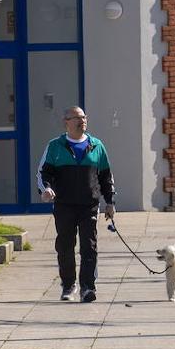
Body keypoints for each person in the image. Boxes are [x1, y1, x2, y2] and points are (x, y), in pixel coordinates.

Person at [37, 106, 115, 302]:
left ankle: (88, 288)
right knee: (65, 246)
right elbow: (43, 173)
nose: (82, 121)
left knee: (89, 246)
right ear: (66, 122)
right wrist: (46, 189)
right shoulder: (55, 146)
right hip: (64, 205)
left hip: (89, 204)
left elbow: (106, 177)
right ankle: (68, 285)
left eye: (84, 117)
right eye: (77, 118)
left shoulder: (97, 145)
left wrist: (110, 202)